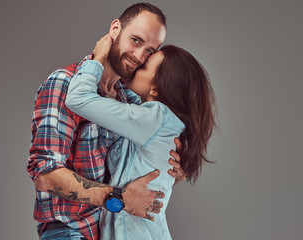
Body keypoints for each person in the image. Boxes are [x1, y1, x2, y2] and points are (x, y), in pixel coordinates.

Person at [27, 3, 186, 240]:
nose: (140, 56)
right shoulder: (64, 82)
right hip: (70, 232)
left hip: (110, 232)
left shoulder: (130, 99)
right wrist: (120, 198)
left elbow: (137, 168)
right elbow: (45, 175)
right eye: (136, 40)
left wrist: (174, 167)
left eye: (150, 51)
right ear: (115, 29)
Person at [65, 35, 216, 239]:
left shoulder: (153, 119)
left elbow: (77, 99)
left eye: (145, 67)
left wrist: (97, 59)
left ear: (156, 88)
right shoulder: (159, 123)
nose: (137, 65)